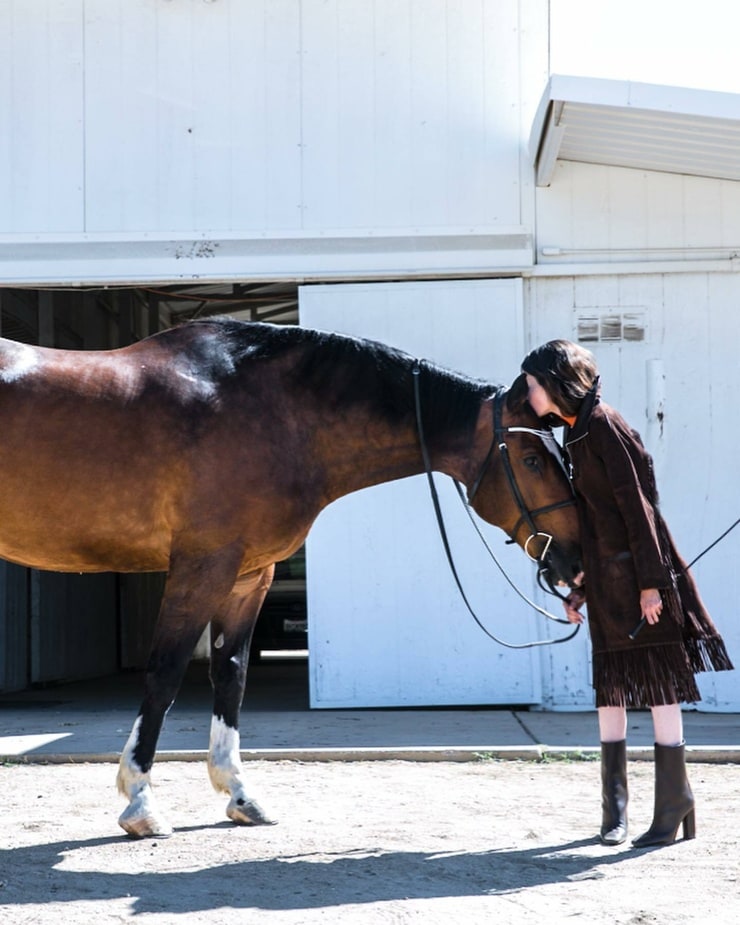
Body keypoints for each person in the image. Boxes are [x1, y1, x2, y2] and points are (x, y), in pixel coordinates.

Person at [519, 339, 733, 849]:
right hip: (610, 585)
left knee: (660, 686)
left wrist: (653, 585)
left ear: (556, 384)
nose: (529, 394)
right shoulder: (575, 433)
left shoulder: (605, 426)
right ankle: (613, 812)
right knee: (610, 693)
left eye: (533, 386)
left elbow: (640, 511)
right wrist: (582, 591)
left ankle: (674, 803)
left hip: (642, 584)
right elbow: (598, 526)